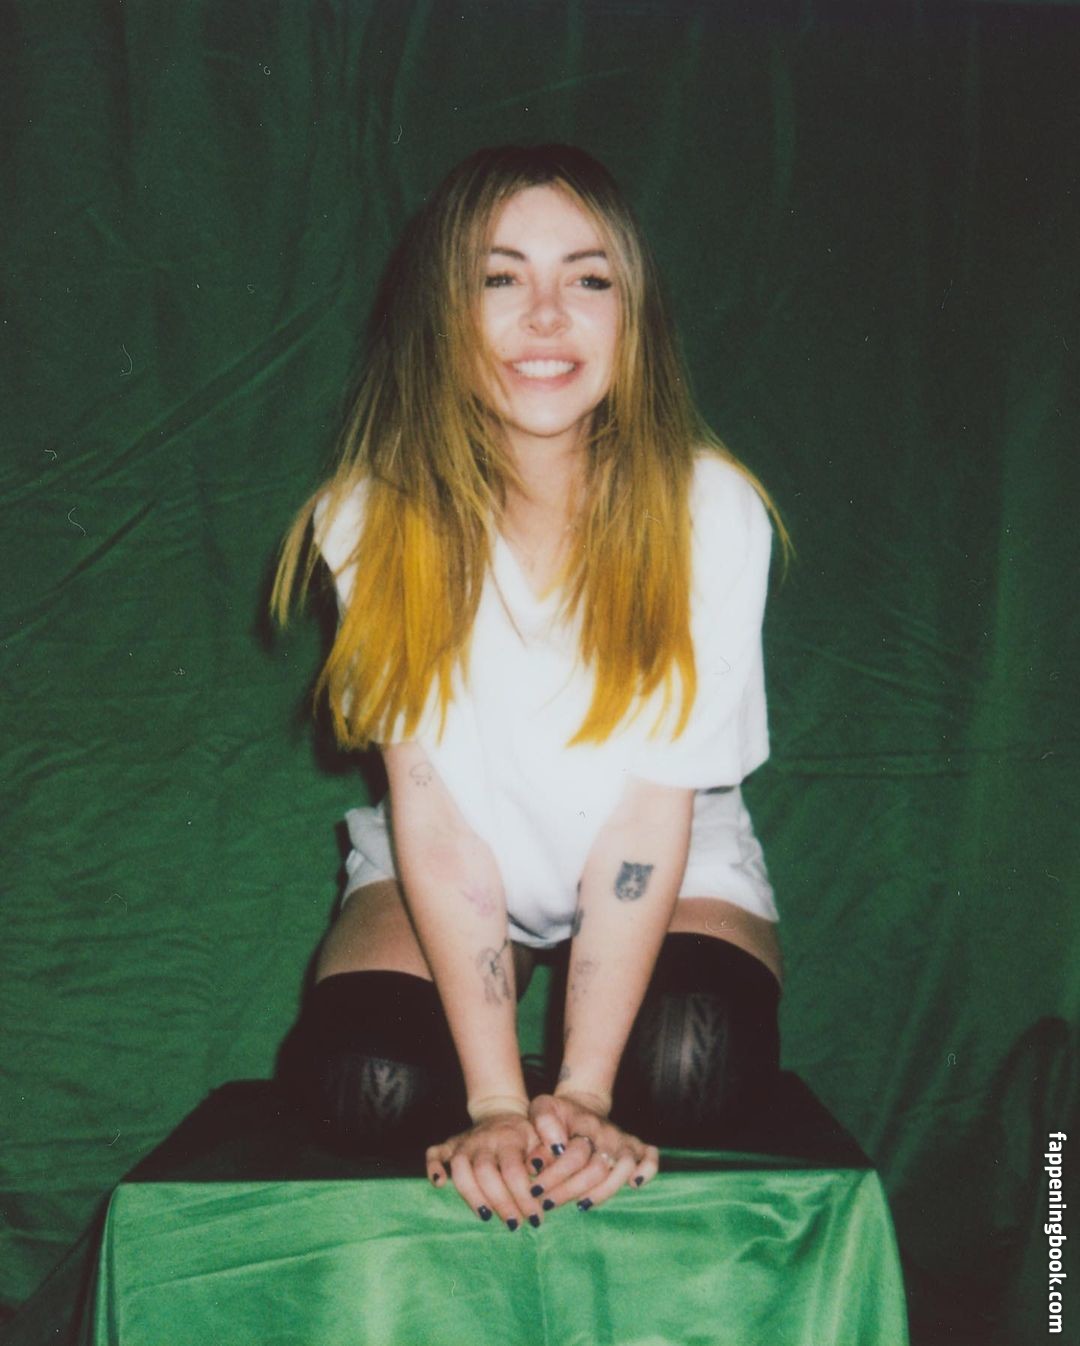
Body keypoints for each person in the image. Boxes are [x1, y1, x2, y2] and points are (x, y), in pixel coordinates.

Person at [273, 143, 788, 1234]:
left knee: (690, 1063)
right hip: (460, 851)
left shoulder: (710, 509)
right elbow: (435, 819)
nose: (547, 315)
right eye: (499, 277)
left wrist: (585, 1092)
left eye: (588, 279)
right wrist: (498, 1102)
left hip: (665, 850)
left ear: (632, 318)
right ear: (440, 314)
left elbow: (649, 817)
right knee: (373, 1086)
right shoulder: (366, 516)